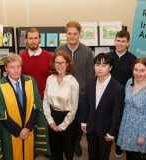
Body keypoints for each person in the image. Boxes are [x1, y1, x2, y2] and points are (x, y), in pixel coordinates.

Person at [0, 53, 50, 160]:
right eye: (12, 67)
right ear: (6, 68)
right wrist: (18, 131)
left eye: (18, 66)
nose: (16, 70)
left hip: (28, 130)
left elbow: (36, 107)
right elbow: (0, 114)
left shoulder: (30, 81)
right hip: (10, 132)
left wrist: (27, 128)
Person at [55, 20, 94, 156]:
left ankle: (76, 143)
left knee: (78, 122)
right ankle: (67, 144)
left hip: (81, 95)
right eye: (69, 33)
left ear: (79, 34)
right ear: (66, 34)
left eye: (75, 34)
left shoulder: (88, 52)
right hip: (64, 95)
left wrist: (89, 97)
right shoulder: (59, 50)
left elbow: (90, 76)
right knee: (66, 121)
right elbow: (55, 72)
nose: (72, 36)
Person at [81, 53, 125, 160]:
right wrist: (84, 122)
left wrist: (112, 132)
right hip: (91, 128)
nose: (99, 68)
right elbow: (86, 104)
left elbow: (117, 113)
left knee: (103, 156)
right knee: (91, 153)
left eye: (104, 65)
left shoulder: (117, 88)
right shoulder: (90, 83)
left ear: (110, 68)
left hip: (106, 131)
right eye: (97, 65)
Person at [117, 58, 146, 160]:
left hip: (139, 129)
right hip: (126, 126)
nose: (138, 73)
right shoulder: (129, 82)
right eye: (136, 70)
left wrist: (142, 135)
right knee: (129, 154)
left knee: (135, 156)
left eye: (142, 70)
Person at [43, 50, 79, 160]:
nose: (59, 65)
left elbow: (73, 109)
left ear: (68, 64)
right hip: (53, 117)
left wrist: (62, 125)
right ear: (53, 64)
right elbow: (45, 101)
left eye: (62, 62)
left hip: (68, 119)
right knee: (55, 149)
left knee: (68, 150)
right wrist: (51, 121)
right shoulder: (50, 79)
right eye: (57, 62)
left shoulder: (73, 82)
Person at [107, 30, 137, 157]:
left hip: (125, 98)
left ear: (128, 43)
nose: (120, 43)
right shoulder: (107, 56)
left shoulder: (133, 59)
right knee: (108, 121)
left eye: (123, 41)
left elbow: (134, 80)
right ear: (114, 41)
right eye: (118, 40)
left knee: (120, 122)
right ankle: (107, 143)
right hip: (108, 97)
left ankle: (119, 146)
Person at [20, 27, 53, 99]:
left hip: (46, 99)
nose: (33, 41)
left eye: (35, 38)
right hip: (28, 99)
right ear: (26, 40)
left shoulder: (50, 57)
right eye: (30, 38)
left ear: (40, 40)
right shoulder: (20, 58)